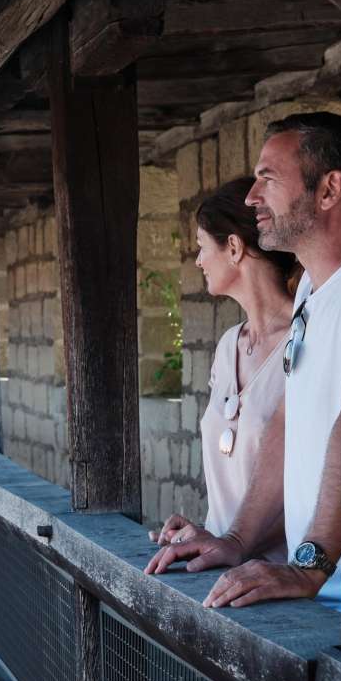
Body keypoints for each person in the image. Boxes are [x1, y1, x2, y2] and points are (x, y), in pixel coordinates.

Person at [148, 111, 341, 612]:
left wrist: (309, 565)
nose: (251, 197)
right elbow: (287, 422)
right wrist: (237, 540)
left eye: (268, 178)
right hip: (309, 594)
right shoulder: (311, 287)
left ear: (328, 190)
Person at [145, 177, 294, 578]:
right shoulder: (228, 346)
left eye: (200, 246)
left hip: (282, 582)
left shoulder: (305, 342)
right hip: (223, 572)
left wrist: (234, 541)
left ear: (233, 247)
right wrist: (209, 533)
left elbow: (319, 485)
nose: (197, 260)